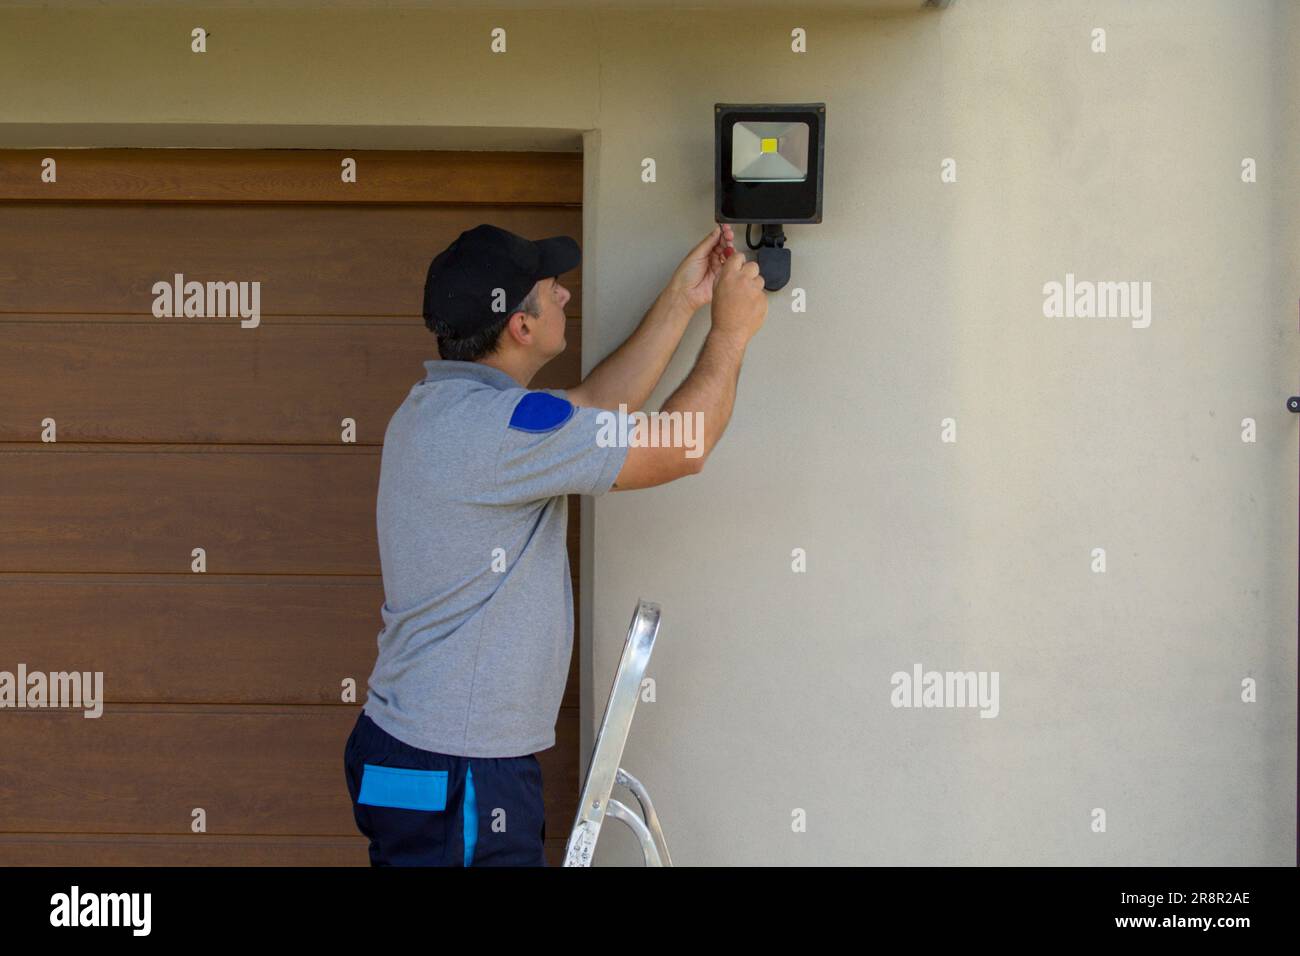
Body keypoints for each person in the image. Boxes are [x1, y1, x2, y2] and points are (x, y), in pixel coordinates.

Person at [343, 221, 767, 865]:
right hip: (459, 767)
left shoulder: (438, 410)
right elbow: (684, 446)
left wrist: (685, 300)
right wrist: (732, 334)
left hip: (427, 752)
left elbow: (598, 403)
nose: (565, 297)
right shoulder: (499, 433)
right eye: (551, 288)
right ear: (519, 325)